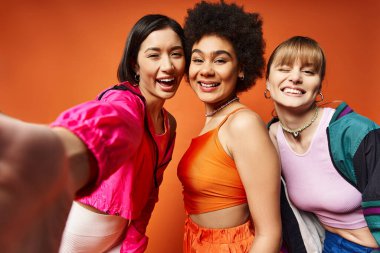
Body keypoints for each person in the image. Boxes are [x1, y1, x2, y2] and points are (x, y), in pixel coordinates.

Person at [0, 14, 185, 253]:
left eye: (176, 54)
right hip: (75, 234)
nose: (168, 65)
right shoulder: (123, 101)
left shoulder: (169, 124)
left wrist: (132, 241)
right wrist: (57, 152)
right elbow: (116, 119)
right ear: (134, 65)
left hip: (115, 238)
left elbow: (150, 192)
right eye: (154, 54)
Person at [177, 1, 282, 252]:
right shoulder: (214, 121)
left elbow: (270, 233)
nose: (206, 70)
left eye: (220, 60)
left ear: (242, 68)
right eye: (198, 59)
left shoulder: (243, 124)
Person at [265, 36, 380, 252]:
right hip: (329, 245)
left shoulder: (354, 131)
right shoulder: (269, 138)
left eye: (308, 71)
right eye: (284, 68)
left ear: (319, 86)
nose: (295, 78)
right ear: (268, 82)